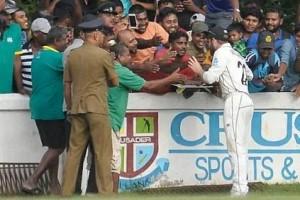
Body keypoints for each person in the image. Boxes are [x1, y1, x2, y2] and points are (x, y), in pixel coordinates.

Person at [109, 43, 186, 193]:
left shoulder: (109, 68)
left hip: (103, 120)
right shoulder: (120, 71)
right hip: (110, 121)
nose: (130, 58)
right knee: (113, 163)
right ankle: (111, 196)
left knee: (99, 162)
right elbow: (149, 86)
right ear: (118, 57)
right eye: (127, 55)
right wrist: (171, 78)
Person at [188, 26, 254, 197]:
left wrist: (200, 70)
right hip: (246, 99)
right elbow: (250, 75)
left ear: (213, 40)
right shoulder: (235, 53)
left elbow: (210, 77)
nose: (208, 42)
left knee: (235, 146)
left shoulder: (221, 53)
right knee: (241, 146)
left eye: (209, 39)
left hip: (235, 100)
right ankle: (241, 186)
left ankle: (240, 188)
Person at [62, 18, 118, 196]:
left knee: (73, 154)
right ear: (95, 34)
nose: (103, 37)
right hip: (97, 108)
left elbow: (67, 85)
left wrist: (70, 107)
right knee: (103, 153)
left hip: (77, 108)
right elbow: (114, 82)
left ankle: (67, 192)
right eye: (102, 34)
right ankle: (105, 193)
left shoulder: (72, 55)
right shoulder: (103, 55)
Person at [22, 26, 68, 195]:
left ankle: (53, 185)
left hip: (40, 105)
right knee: (57, 147)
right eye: (64, 40)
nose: (66, 43)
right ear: (56, 41)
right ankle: (31, 180)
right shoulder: (56, 58)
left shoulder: (39, 55)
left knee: (52, 146)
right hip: (52, 107)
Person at [14, 18, 51, 95]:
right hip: (27, 95)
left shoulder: (50, 50)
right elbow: (17, 72)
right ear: (35, 34)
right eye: (45, 33)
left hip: (47, 95)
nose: (48, 36)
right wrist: (20, 89)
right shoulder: (21, 51)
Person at [0, 7, 22, 93]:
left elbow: (17, 60)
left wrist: (20, 87)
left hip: (7, 88)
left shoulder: (15, 29)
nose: (9, 17)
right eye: (6, 14)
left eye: (11, 14)